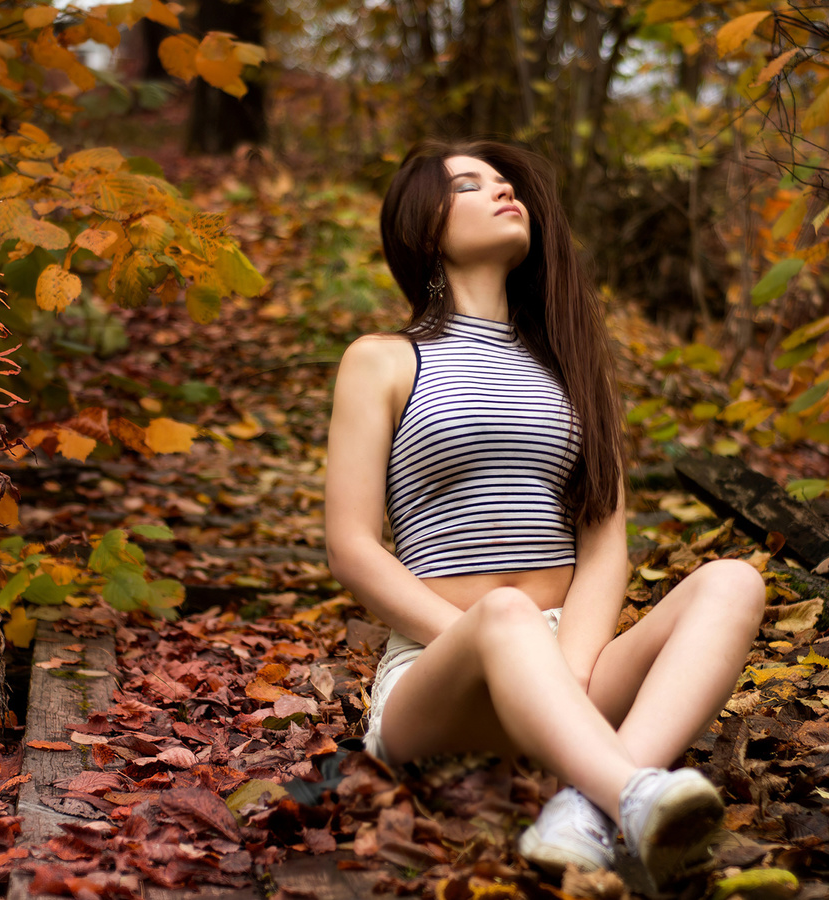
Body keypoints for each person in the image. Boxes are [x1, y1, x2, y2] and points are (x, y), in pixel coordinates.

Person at [322, 137, 767, 885]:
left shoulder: (570, 366)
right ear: (422, 226)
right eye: (471, 184)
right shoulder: (383, 359)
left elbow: (603, 546)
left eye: (508, 184)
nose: (506, 193)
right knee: (503, 613)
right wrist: (499, 641)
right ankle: (629, 791)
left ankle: (581, 813)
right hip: (442, 671)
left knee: (734, 582)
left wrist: (566, 670)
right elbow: (353, 546)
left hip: (570, 656)